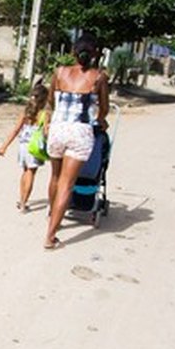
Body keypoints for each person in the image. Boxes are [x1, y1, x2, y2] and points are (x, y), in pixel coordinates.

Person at [43, 35, 109, 250]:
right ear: (95, 54)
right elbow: (104, 109)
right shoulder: (99, 77)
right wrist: (101, 120)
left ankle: (52, 215)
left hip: (57, 129)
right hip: (80, 131)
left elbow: (50, 102)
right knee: (67, 184)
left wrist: (48, 122)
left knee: (55, 176)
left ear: (73, 52)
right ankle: (50, 235)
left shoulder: (59, 72)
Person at [0, 83, 50, 212]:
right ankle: (23, 203)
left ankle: (21, 200)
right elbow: (46, 133)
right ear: (44, 99)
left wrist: (4, 147)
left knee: (25, 171)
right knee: (31, 173)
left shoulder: (26, 113)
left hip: (23, 146)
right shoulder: (44, 114)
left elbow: (15, 131)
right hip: (34, 147)